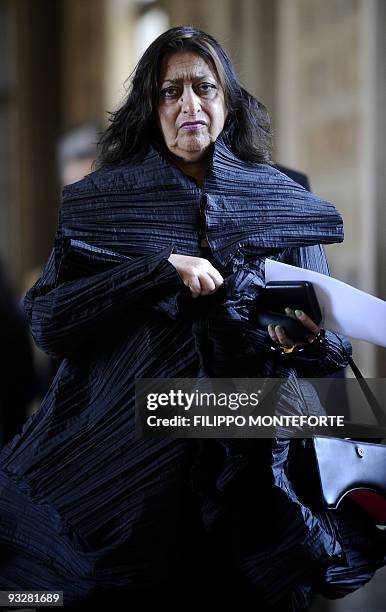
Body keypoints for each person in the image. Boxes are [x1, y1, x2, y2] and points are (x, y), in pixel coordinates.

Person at [0, 26, 384, 611]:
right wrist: (154, 271)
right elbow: (49, 320)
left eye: (204, 88)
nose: (189, 105)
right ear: (149, 109)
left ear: (227, 101)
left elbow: (321, 352)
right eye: (169, 91)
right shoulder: (102, 204)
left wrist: (298, 340)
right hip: (128, 477)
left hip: (252, 469)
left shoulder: (281, 200)